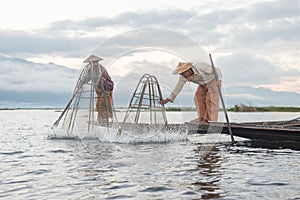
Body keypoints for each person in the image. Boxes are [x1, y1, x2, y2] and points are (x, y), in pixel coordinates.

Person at [84, 55, 114, 125]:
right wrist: (81, 84)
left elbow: (101, 80)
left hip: (106, 88)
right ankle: (102, 121)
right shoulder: (91, 70)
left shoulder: (100, 69)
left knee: (104, 106)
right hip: (100, 90)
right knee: (99, 106)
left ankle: (105, 121)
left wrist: (104, 90)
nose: (91, 65)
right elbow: (86, 79)